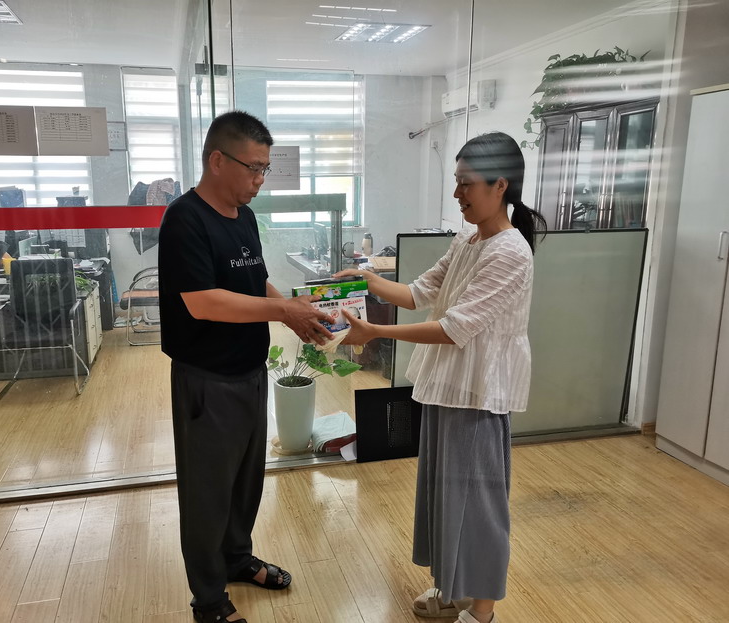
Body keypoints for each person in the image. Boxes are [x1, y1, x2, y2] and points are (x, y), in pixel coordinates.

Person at [334, 131, 546, 623]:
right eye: (457, 182)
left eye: (466, 183)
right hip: (450, 386)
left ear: (500, 185)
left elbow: (455, 328)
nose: (457, 194)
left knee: (479, 504)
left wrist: (375, 332)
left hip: (480, 394)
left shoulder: (510, 253)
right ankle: (453, 589)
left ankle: (483, 610)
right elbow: (418, 293)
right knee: (446, 493)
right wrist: (367, 279)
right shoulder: (468, 240)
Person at [158, 110, 333, 623]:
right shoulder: (185, 219)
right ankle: (209, 600)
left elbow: (255, 281)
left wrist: (295, 313)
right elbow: (203, 302)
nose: (260, 179)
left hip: (250, 373)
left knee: (244, 484)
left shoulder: (245, 217)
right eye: (253, 168)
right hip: (207, 379)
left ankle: (236, 558)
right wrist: (283, 311)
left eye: (265, 169)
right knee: (207, 493)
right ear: (217, 160)